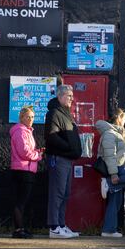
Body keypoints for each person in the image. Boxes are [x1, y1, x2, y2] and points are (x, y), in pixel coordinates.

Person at [96, 108, 125, 237]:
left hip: (118, 169)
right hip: (116, 169)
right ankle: (109, 183)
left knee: (115, 201)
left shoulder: (118, 133)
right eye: (124, 118)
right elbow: (110, 155)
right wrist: (114, 174)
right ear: (118, 118)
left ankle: (109, 230)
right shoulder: (110, 133)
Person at [45, 84, 83, 239]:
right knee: (57, 192)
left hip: (67, 159)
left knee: (65, 193)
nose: (71, 98)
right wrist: (69, 147)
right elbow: (51, 136)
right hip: (58, 158)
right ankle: (54, 227)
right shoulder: (54, 113)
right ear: (60, 96)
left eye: (72, 96)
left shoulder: (66, 114)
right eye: (68, 95)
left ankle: (61, 224)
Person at [10, 105, 43, 238]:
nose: (30, 119)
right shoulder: (20, 131)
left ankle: (22, 228)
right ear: (21, 117)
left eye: (32, 117)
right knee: (21, 201)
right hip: (23, 170)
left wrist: (37, 152)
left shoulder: (27, 131)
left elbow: (28, 150)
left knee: (23, 201)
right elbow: (24, 152)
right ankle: (18, 230)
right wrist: (38, 156)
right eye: (27, 116)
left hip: (27, 169)